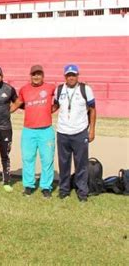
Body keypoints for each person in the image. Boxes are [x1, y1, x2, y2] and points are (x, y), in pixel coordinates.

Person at [11, 65, 56, 198]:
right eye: (34, 74)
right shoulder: (24, 89)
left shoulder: (50, 88)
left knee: (47, 160)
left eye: (39, 74)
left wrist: (52, 109)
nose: (36, 77)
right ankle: (29, 185)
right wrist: (3, 112)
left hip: (46, 130)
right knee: (28, 159)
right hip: (29, 131)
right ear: (30, 76)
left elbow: (62, 96)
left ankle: (46, 187)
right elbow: (17, 103)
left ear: (43, 75)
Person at [53, 64, 96, 202]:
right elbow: (54, 106)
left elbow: (93, 110)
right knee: (63, 163)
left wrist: (92, 130)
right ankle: (64, 190)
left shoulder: (85, 89)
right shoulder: (59, 89)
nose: (71, 77)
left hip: (80, 132)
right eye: (68, 75)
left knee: (81, 164)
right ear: (65, 76)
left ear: (78, 75)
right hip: (62, 132)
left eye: (73, 75)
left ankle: (82, 192)